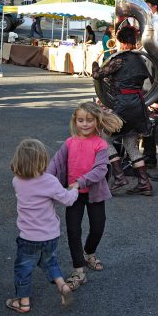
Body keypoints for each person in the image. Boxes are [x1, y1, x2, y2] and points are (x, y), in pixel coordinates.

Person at [48, 102, 122, 291]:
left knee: (97, 228)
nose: (85, 124)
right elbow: (55, 163)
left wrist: (80, 181)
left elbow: (100, 170)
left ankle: (89, 252)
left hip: (94, 193)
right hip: (72, 195)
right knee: (73, 231)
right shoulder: (69, 142)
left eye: (89, 120)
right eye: (81, 120)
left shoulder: (100, 144)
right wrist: (45, 180)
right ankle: (78, 270)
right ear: (75, 121)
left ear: (97, 121)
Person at [6, 138, 78, 313]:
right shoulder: (50, 181)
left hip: (28, 238)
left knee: (23, 268)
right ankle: (62, 285)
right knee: (50, 262)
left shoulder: (17, 181)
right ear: (43, 160)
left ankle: (23, 302)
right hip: (50, 235)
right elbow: (67, 200)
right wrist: (75, 189)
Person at [92, 26, 154, 196]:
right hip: (138, 107)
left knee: (104, 140)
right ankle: (144, 183)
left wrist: (95, 63)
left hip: (123, 106)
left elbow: (98, 75)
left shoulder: (120, 59)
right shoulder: (141, 59)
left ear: (120, 41)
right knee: (130, 145)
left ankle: (119, 177)